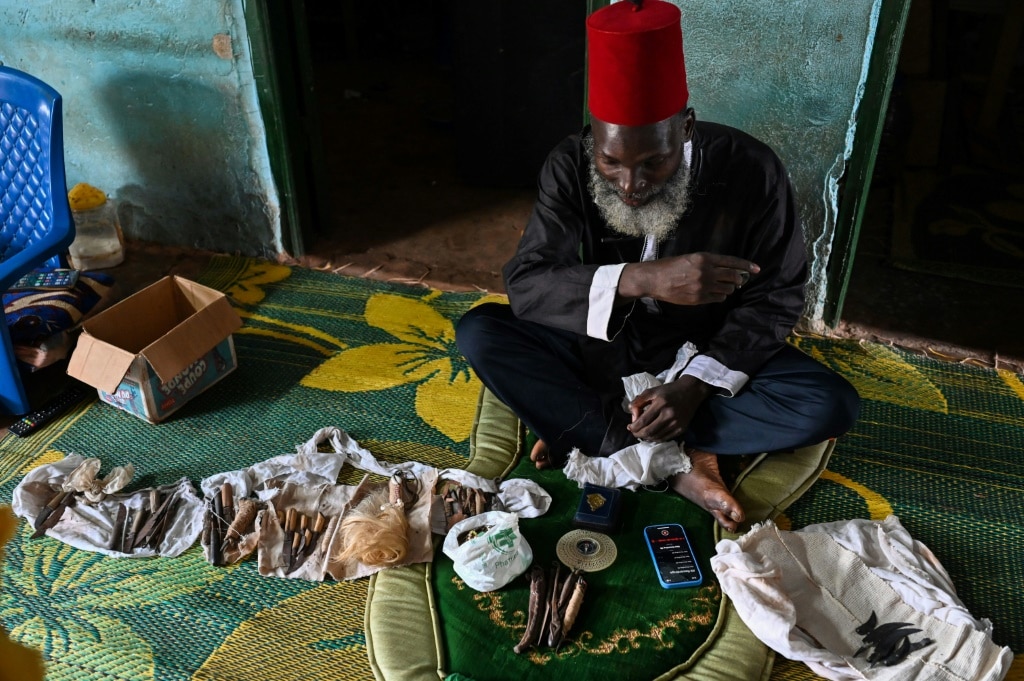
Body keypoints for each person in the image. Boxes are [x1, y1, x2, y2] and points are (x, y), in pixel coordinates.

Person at [455, 0, 860, 531]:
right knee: (481, 332)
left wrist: (694, 386)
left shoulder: (751, 169)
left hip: (706, 349)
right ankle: (674, 466)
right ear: (591, 141)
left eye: (653, 162)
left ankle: (591, 430)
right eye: (611, 161)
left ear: (686, 128)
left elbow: (778, 296)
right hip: (600, 346)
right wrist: (641, 279)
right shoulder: (568, 165)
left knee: (828, 404)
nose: (631, 184)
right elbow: (529, 284)